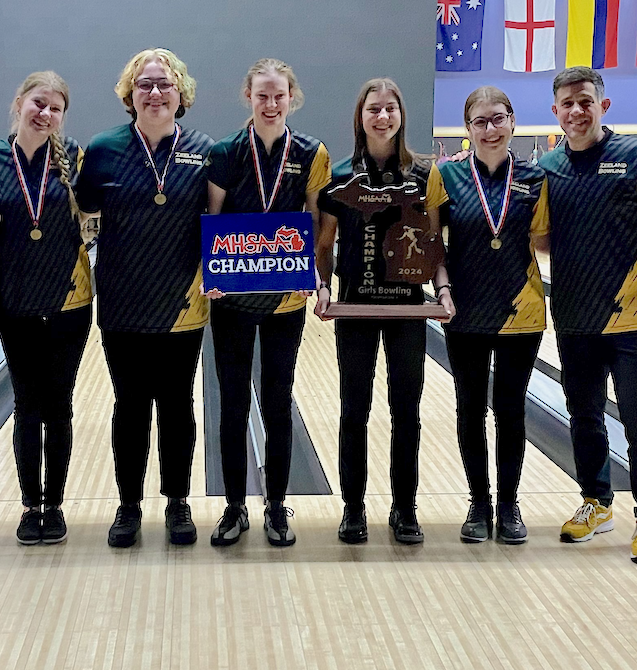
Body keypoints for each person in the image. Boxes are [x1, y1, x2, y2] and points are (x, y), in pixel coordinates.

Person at [540, 66, 637, 565]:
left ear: (603, 106)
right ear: (554, 112)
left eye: (586, 101)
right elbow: (540, 238)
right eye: (568, 103)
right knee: (583, 416)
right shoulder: (551, 168)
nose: (577, 111)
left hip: (636, 318)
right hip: (576, 317)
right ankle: (596, 502)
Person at [75, 48, 213, 548]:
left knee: (177, 407)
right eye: (144, 85)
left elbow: (222, 225)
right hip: (123, 305)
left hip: (183, 303)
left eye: (164, 84)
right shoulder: (105, 148)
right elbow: (81, 212)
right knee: (130, 407)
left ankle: (178, 503)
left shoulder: (204, 149)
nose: (155, 93)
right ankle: (128, 506)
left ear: (181, 93)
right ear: (129, 95)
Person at [314, 78, 453, 545]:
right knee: (354, 411)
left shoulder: (423, 175)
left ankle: (404, 509)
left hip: (407, 311)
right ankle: (353, 509)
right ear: (361, 117)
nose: (382, 117)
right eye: (374, 109)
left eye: (390, 108)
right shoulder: (338, 174)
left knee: (406, 412)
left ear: (400, 115)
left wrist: (444, 289)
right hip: (355, 307)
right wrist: (321, 286)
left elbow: (432, 243)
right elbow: (326, 243)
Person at [205, 58, 330, 547]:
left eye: (279, 95)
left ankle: (277, 505)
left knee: (278, 402)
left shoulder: (310, 151)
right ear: (248, 97)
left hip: (284, 299)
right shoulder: (227, 151)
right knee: (232, 404)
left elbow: (318, 222)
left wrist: (315, 277)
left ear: (291, 96)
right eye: (262, 95)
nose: (271, 104)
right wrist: (211, 272)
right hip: (232, 298)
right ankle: (234, 506)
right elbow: (213, 219)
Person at [0, 71, 92, 545]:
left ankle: (56, 504)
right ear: (19, 102)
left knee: (59, 405)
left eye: (55, 108)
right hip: (17, 302)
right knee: (27, 406)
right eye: (38, 103)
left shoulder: (77, 159)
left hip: (70, 301)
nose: (44, 114)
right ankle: (31, 505)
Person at [436, 86, 549, 544]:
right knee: (469, 410)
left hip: (521, 312)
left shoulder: (536, 178)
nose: (490, 128)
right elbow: (431, 244)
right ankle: (478, 503)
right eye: (480, 121)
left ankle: (509, 504)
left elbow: (544, 242)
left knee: (510, 410)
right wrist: (440, 288)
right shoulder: (446, 177)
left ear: (512, 120)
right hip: (464, 310)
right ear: (468, 129)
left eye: (497, 118)